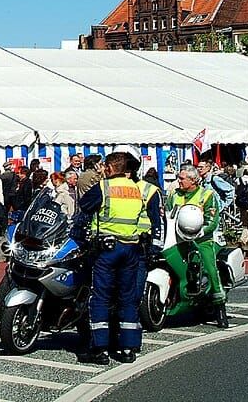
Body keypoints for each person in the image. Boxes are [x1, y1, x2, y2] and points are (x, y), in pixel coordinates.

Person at [72, 151, 161, 364]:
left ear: (111, 168)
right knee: (128, 299)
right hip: (131, 249)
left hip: (107, 249)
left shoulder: (104, 187)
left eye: (105, 166)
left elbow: (85, 206)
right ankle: (129, 348)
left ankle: (100, 349)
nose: (103, 169)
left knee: (101, 297)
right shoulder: (138, 190)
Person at [166, 164, 228, 323]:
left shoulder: (207, 195)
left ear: (193, 180)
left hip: (201, 240)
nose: (178, 181)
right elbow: (167, 214)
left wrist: (201, 232)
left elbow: (213, 220)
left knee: (209, 267)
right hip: (177, 239)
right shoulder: (174, 194)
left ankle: (220, 307)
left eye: (182, 178)